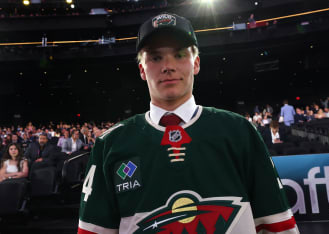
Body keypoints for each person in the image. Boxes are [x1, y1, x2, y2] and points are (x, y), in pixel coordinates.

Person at [78, 13, 298, 234]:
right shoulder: (110, 144)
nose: (168, 66)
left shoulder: (239, 131)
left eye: (180, 54)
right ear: (142, 70)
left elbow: (278, 226)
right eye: (155, 58)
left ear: (196, 64)